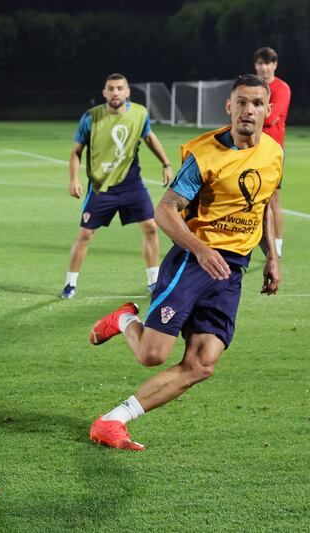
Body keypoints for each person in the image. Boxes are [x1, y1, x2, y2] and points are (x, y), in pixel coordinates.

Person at [87, 75, 282, 451]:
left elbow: (262, 205)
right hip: (193, 263)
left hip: (232, 270)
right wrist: (201, 249)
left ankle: (113, 420)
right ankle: (125, 319)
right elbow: (165, 212)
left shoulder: (274, 153)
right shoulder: (204, 155)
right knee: (151, 355)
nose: (248, 110)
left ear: (267, 111)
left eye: (257, 103)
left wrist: (272, 256)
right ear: (229, 107)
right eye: (241, 102)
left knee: (203, 363)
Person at [62, 73, 173, 299]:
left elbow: (149, 137)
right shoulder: (91, 118)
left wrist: (166, 163)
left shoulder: (140, 113)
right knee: (85, 234)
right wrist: (74, 179)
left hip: (132, 184)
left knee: (151, 227)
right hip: (102, 187)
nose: (115, 92)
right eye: (111, 88)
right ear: (104, 93)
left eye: (120, 88)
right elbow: (76, 151)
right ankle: (70, 284)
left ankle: (153, 281)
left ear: (127, 92)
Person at [254, 46, 291, 259]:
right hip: (251, 148)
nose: (264, 67)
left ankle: (276, 246)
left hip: (272, 151)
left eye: (268, 63)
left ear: (274, 65)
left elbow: (269, 118)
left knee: (273, 199)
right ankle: (251, 239)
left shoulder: (282, 88)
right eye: (260, 63)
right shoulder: (253, 87)